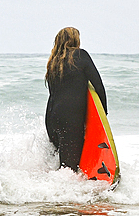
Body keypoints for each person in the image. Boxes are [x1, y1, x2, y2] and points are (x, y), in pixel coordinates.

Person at [44, 27, 108, 171]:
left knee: (61, 163)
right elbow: (98, 84)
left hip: (52, 117)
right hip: (70, 118)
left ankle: (49, 190)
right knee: (69, 168)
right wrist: (103, 112)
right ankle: (64, 192)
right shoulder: (80, 55)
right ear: (75, 39)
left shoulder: (54, 62)